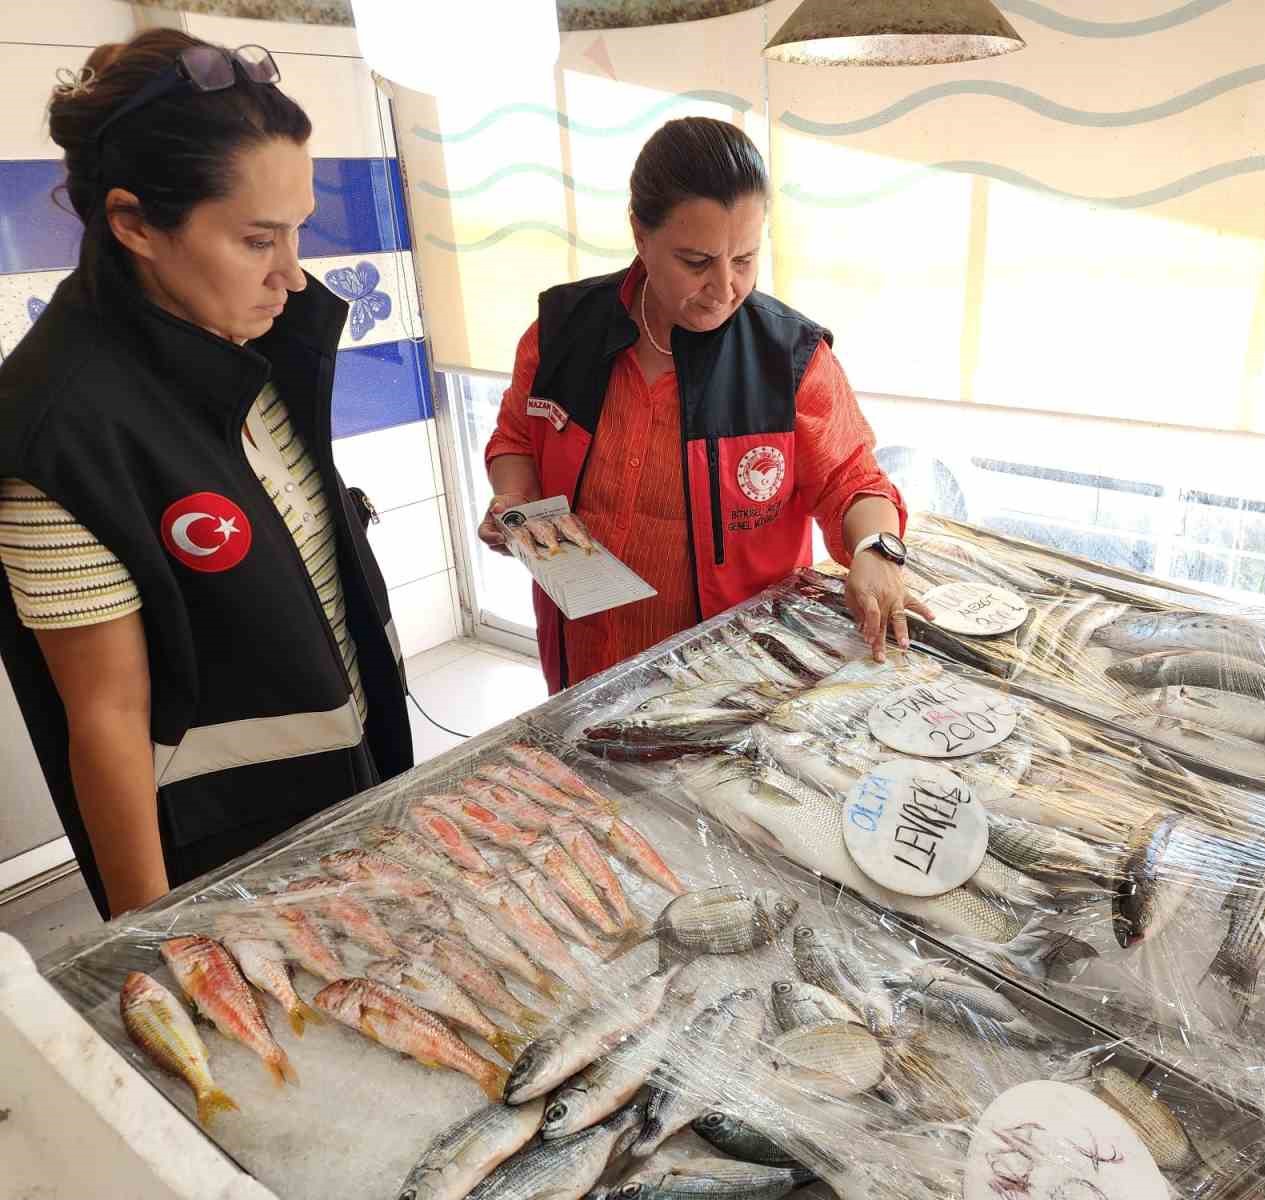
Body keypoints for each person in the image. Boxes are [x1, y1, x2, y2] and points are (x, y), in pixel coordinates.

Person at [0, 31, 413, 919]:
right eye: (258, 239)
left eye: (298, 229)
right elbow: (104, 719)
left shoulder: (244, 337)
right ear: (135, 223)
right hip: (225, 845)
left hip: (351, 782)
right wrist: (149, 932)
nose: (291, 274)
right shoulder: (59, 431)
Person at [479, 117, 930, 692]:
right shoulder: (561, 332)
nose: (724, 288)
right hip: (582, 651)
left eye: (744, 259)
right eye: (696, 262)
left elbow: (851, 480)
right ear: (640, 235)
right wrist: (514, 502)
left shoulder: (788, 358)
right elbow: (518, 436)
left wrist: (875, 548)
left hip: (729, 672)